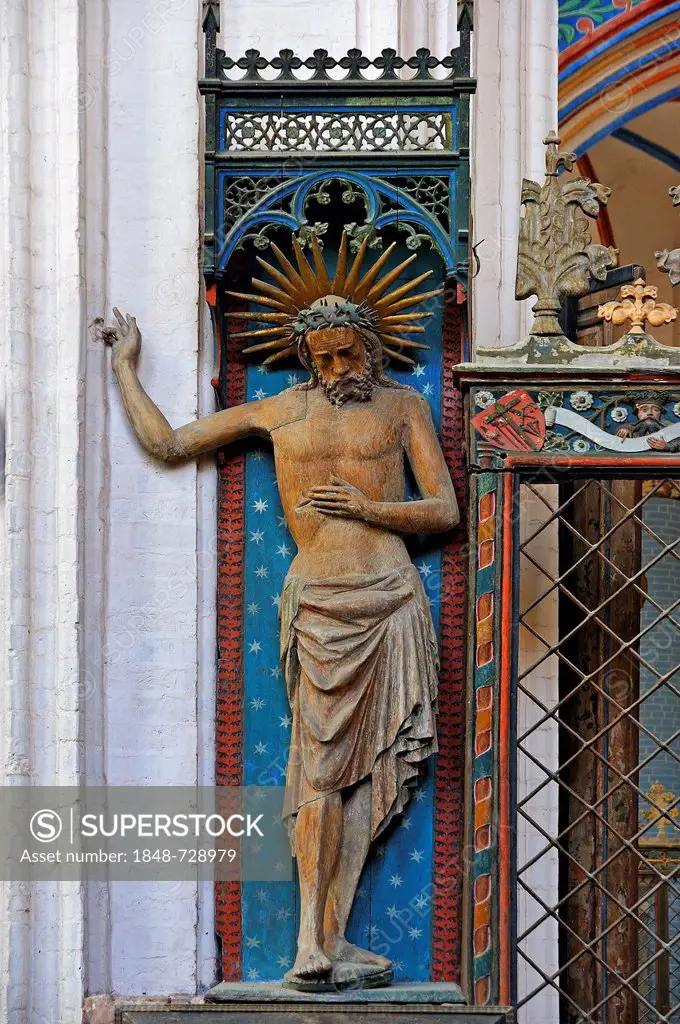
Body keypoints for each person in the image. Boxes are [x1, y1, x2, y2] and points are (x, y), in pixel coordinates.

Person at [103, 234, 458, 990]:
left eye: (349, 354)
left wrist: (372, 507)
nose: (338, 370)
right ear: (305, 356)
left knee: (374, 775)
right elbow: (169, 444)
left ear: (370, 345)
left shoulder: (401, 409)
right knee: (322, 771)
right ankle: (307, 940)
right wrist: (124, 367)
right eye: (324, 358)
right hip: (322, 606)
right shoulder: (277, 412)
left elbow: (446, 510)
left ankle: (334, 934)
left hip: (392, 600)